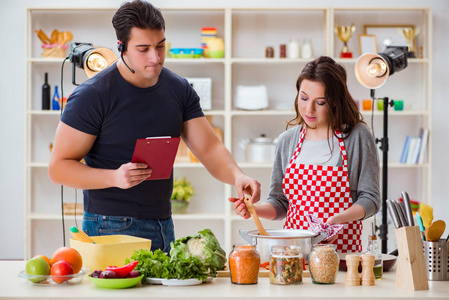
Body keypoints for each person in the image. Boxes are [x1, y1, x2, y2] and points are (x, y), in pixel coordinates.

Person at [48, 0, 260, 253]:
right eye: (143, 48)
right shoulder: (93, 95)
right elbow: (58, 168)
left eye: (160, 46)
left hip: (163, 223)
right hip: (109, 226)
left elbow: (210, 149)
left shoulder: (178, 88)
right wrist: (114, 177)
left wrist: (238, 176)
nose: (155, 57)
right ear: (122, 48)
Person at [230, 56, 380, 253]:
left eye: (320, 102)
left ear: (335, 102)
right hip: (292, 255)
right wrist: (253, 210)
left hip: (340, 255)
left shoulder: (357, 137)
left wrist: (337, 220)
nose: (309, 109)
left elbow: (371, 199)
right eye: (304, 98)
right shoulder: (287, 141)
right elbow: (280, 202)